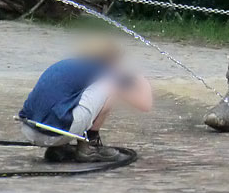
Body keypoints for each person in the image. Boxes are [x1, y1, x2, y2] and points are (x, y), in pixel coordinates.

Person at [19, 37, 153, 163]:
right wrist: (142, 79)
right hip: (54, 135)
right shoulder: (104, 72)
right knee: (110, 87)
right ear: (111, 59)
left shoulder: (68, 66)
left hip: (29, 129)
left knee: (69, 98)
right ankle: (90, 147)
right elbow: (144, 105)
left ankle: (59, 149)